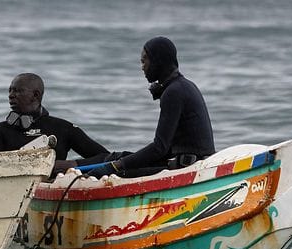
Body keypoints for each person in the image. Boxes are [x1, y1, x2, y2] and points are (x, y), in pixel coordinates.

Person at [87, 37, 216, 178]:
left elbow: (159, 147)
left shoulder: (173, 92)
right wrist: (121, 160)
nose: (142, 67)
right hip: (184, 161)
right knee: (117, 157)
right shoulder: (184, 85)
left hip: (189, 169)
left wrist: (116, 166)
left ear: (157, 61)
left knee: (117, 171)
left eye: (144, 61)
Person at [0, 73, 110, 174]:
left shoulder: (63, 128)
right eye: (10, 91)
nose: (11, 95)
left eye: (17, 91)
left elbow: (106, 158)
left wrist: (73, 165)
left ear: (35, 95)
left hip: (54, 187)